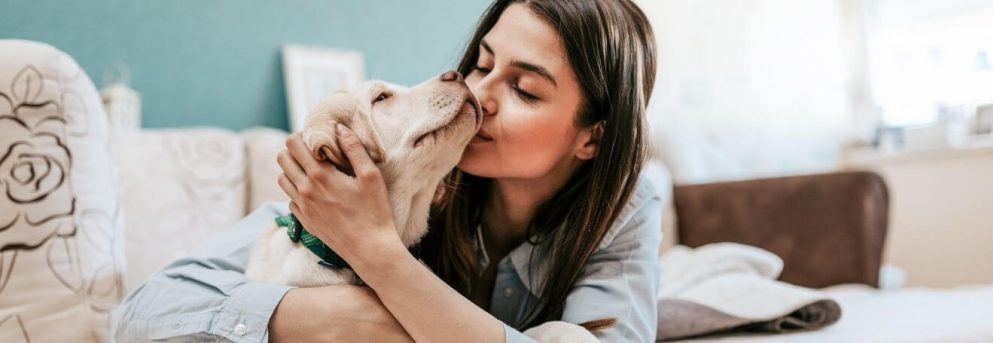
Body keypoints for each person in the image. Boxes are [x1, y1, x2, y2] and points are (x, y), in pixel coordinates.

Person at [114, 0, 661, 341]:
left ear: (593, 136)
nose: (479, 92)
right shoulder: (401, 173)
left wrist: (380, 255)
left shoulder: (624, 209)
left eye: (524, 88)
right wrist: (351, 318)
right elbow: (144, 311)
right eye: (484, 63)